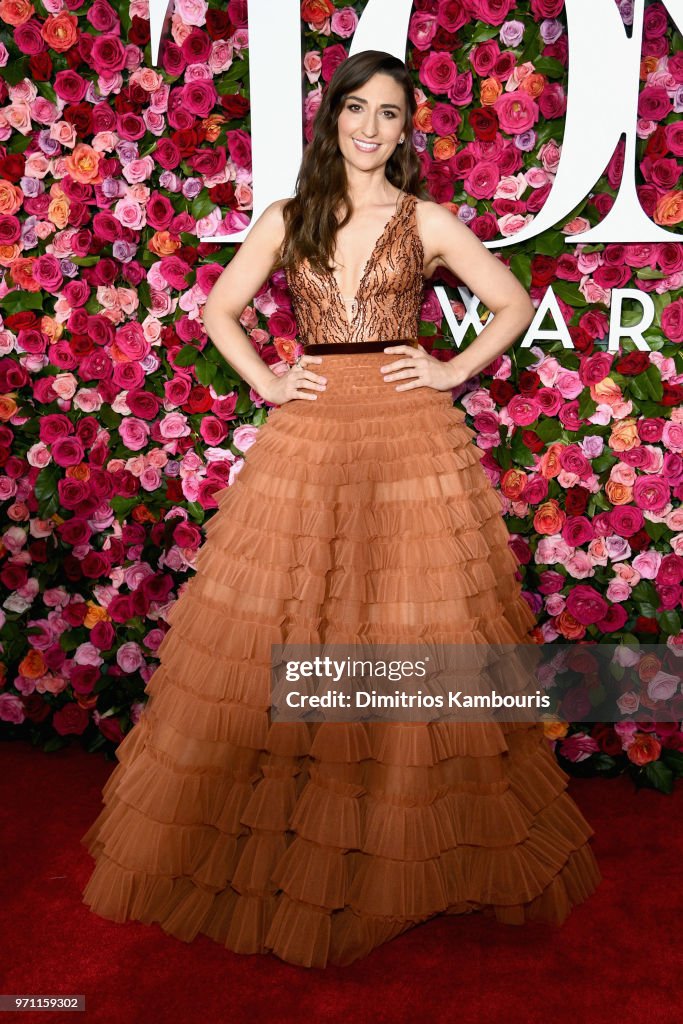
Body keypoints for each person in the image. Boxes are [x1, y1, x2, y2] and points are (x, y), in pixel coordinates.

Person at [81, 50, 601, 969]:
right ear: (334, 119)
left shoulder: (427, 219)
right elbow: (219, 313)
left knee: (408, 620)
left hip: (407, 437)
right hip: (314, 436)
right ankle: (308, 825)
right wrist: (271, 383)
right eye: (357, 109)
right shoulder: (291, 217)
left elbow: (511, 302)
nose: (370, 127)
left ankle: (396, 833)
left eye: (389, 114)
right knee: (301, 624)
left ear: (407, 129)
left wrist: (447, 367)